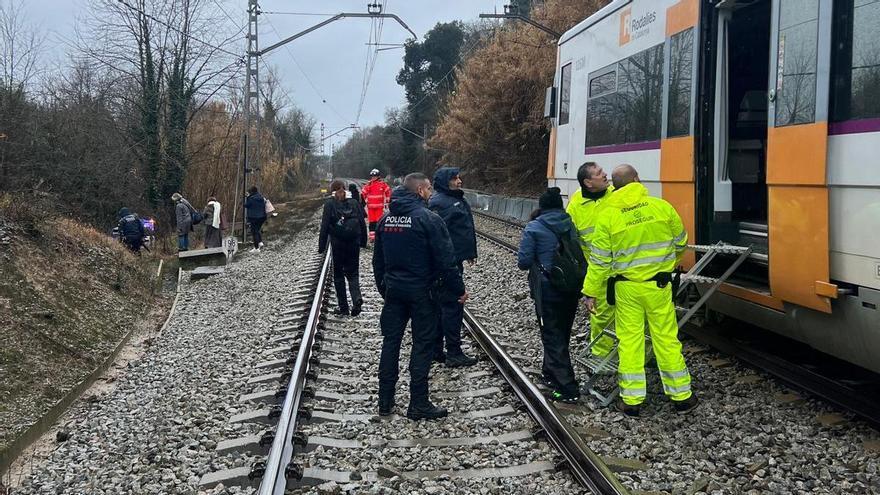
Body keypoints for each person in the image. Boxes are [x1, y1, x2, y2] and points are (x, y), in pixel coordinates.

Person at [582, 164, 696, 417]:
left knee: (630, 342)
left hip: (627, 289)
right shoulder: (661, 207)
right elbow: (681, 243)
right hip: (659, 286)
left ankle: (632, 401)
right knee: (666, 338)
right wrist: (667, 263)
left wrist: (590, 292)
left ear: (615, 185)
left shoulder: (608, 217)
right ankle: (682, 397)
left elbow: (600, 262)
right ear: (637, 180)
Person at [373, 173, 467, 420]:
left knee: (390, 343)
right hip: (423, 294)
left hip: (394, 292)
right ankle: (418, 403)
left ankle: (385, 401)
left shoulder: (385, 220)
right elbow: (447, 261)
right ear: (421, 191)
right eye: (427, 190)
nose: (430, 194)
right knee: (422, 345)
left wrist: (386, 289)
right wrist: (458, 290)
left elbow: (378, 263)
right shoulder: (429, 219)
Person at [517, 187, 582, 404]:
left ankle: (567, 387)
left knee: (551, 334)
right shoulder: (570, 223)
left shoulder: (534, 227)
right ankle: (550, 371)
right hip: (571, 287)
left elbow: (523, 262)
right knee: (562, 332)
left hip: (548, 288)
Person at [428, 167, 478, 367]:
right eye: (455, 178)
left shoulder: (453, 199)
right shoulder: (441, 203)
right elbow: (440, 238)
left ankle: (437, 350)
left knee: (444, 306)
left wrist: (469, 253)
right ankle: (453, 352)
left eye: (459, 177)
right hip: (447, 264)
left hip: (453, 259)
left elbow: (462, 231)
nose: (460, 181)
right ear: (444, 182)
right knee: (452, 305)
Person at [566, 162, 616, 357]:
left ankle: (640, 357)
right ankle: (600, 356)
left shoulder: (616, 195)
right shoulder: (576, 204)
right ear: (588, 182)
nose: (605, 174)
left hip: (624, 268)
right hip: (598, 271)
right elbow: (572, 240)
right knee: (601, 316)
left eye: (603, 170)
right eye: (599, 173)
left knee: (633, 316)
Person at [319, 180, 368, 316]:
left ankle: (344, 308)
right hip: (353, 242)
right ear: (345, 189)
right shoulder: (354, 202)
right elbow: (362, 223)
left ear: (332, 191)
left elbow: (324, 225)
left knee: (339, 276)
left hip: (338, 244)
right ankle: (356, 298)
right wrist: (363, 241)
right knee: (353, 273)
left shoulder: (329, 204)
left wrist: (321, 246)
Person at [362, 168, 391, 239]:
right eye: (372, 176)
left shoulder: (383, 184)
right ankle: (372, 237)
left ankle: (378, 236)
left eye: (374, 176)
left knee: (379, 222)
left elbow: (388, 192)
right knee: (372, 222)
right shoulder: (369, 185)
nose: (373, 177)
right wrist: (363, 202)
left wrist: (388, 202)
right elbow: (363, 193)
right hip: (371, 207)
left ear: (378, 176)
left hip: (379, 207)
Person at [244, 186, 267, 252]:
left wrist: (247, 197)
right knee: (257, 229)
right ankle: (260, 242)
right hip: (262, 217)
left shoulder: (251, 198)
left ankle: (256, 248)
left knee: (254, 232)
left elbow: (246, 205)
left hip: (254, 218)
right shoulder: (261, 197)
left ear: (251, 192)